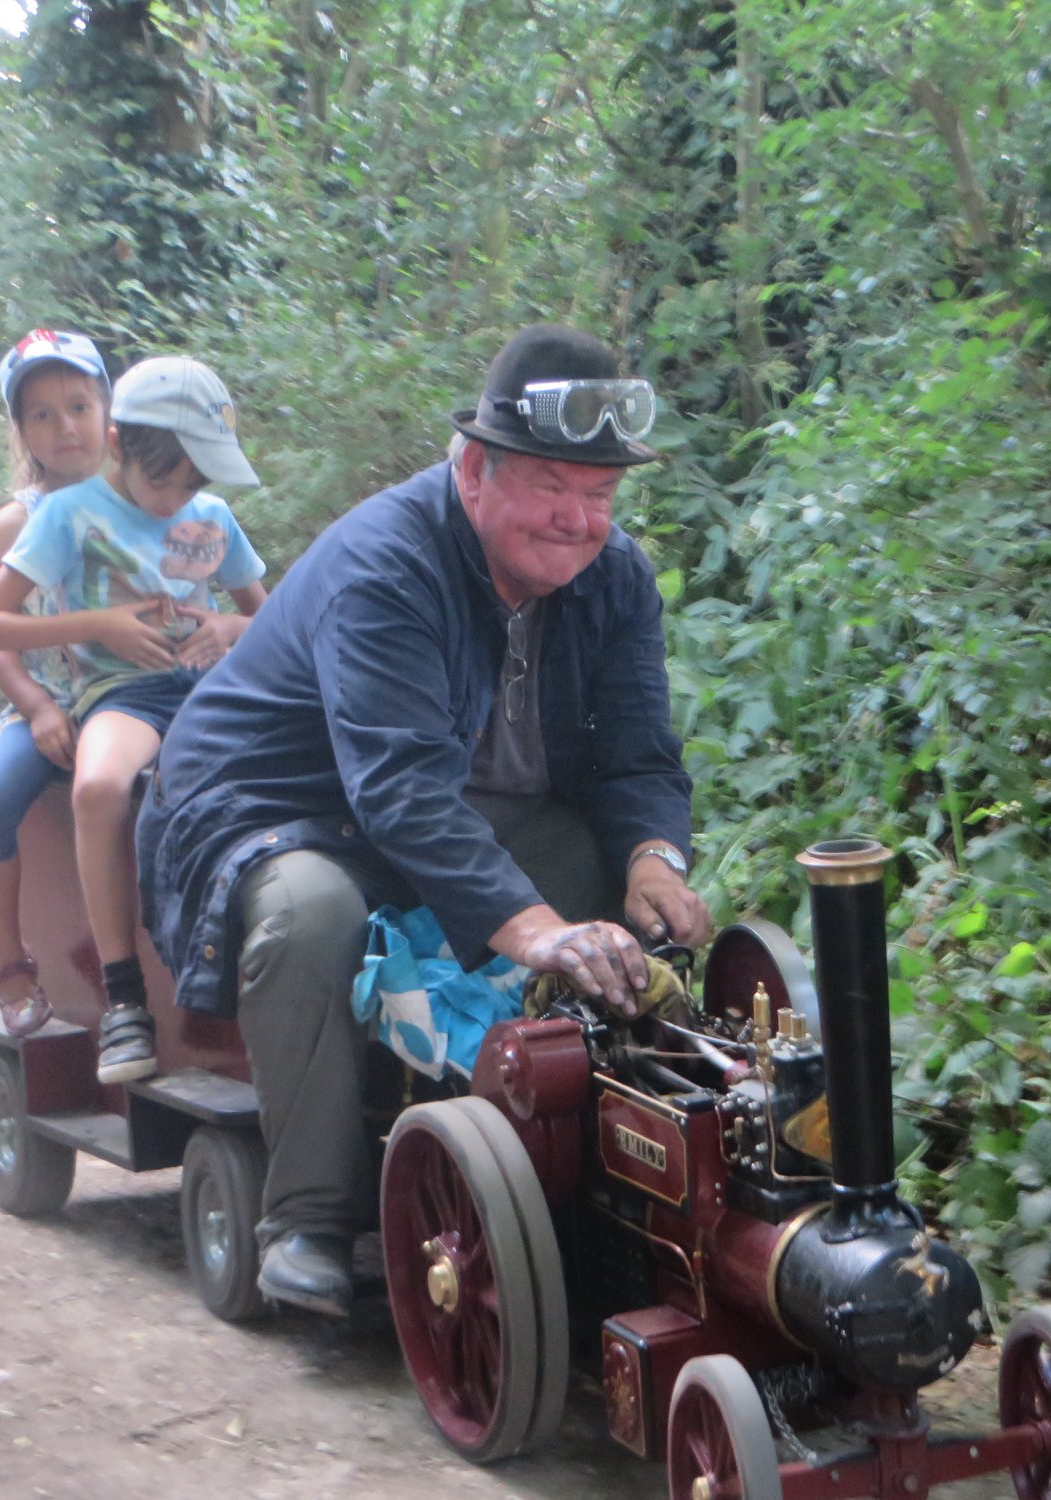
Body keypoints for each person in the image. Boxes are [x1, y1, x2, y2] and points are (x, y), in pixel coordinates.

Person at [138, 323, 712, 1317]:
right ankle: (308, 1217)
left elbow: (636, 758)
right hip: (274, 808)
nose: (580, 520)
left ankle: (557, 1167)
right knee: (313, 911)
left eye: (600, 494)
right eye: (551, 487)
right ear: (476, 471)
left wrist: (652, 864)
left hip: (444, 810)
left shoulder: (614, 580)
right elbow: (394, 789)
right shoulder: (386, 566)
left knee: (585, 859)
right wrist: (535, 931)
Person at [0, 355, 270, 1085]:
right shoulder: (67, 515)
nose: (176, 499)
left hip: (212, 690)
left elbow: (278, 620)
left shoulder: (213, 518)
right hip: (124, 693)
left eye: (192, 484)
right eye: (163, 481)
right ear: (121, 447)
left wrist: (229, 628)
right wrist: (97, 623)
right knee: (100, 789)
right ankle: (125, 995)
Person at [0, 329, 112, 1039]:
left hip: (137, 699)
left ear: (107, 412)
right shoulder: (15, 524)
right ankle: (12, 970)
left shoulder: (149, 508)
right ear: (21, 430)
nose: (65, 426)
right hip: (44, 705)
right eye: (43, 414)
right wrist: (37, 707)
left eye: (78, 405)